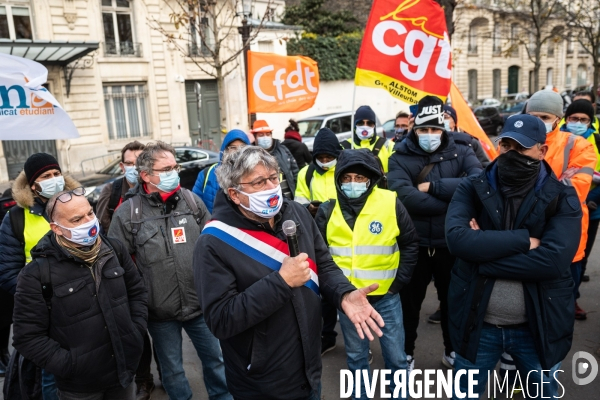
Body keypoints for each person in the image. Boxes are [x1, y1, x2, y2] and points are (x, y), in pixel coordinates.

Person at [193, 146, 385, 400]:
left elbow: (323, 264)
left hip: (308, 367)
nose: (271, 187)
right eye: (259, 182)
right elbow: (222, 319)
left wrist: (344, 293)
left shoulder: (296, 213)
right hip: (262, 382)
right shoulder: (213, 242)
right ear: (235, 194)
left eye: (274, 178)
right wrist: (281, 282)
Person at [446, 114, 582, 399]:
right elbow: (458, 241)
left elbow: (552, 261)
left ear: (541, 151)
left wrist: (482, 253)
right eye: (506, 146)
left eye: (521, 148)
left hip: (537, 327)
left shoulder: (562, 197)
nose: (512, 154)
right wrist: (524, 240)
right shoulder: (472, 187)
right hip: (477, 325)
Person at [108, 141, 231, 400]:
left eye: (175, 166)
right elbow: (116, 265)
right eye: (166, 169)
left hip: (200, 305)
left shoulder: (191, 201)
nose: (174, 173)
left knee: (216, 360)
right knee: (173, 370)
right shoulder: (127, 214)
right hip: (159, 312)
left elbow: (213, 245)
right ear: (145, 175)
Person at [12, 188, 148, 400]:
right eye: (77, 219)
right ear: (56, 228)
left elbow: (137, 292)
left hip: (123, 373)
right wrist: (70, 365)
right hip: (80, 388)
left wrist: (135, 331)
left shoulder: (114, 249)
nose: (88, 222)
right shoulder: (36, 275)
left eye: (90, 213)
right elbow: (27, 337)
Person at [387, 95, 482, 371]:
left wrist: (434, 188)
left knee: (454, 303)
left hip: (450, 244)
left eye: (435, 129)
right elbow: (403, 196)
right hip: (413, 244)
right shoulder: (400, 156)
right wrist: (454, 200)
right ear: (414, 129)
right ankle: (405, 353)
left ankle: (453, 351)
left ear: (444, 128)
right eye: (423, 130)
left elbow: (477, 184)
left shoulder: (463, 150)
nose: (430, 135)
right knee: (409, 305)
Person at [315, 149, 419, 399]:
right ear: (338, 179)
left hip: (386, 298)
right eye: (347, 177)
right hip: (349, 301)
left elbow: (410, 243)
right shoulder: (328, 210)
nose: (353, 183)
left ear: (371, 179)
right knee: (356, 356)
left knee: (395, 356)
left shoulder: (390, 202)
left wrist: (397, 283)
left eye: (360, 178)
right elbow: (318, 255)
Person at [0, 153, 80, 400]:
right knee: (50, 374)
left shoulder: (77, 206)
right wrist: (42, 298)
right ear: (33, 184)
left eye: (56, 174)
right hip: (43, 310)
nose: (54, 179)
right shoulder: (15, 218)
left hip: (81, 304)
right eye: (46, 176)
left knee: (84, 368)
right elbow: (7, 271)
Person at [526, 90, 596, 321]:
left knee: (558, 308)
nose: (538, 122)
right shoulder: (515, 141)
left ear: (558, 118)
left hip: (565, 238)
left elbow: (573, 191)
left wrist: (526, 193)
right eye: (533, 116)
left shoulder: (578, 145)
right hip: (525, 238)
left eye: (544, 117)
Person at [192, 129, 250, 213]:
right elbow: (195, 208)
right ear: (225, 150)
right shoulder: (206, 175)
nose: (238, 151)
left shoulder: (255, 175)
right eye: (233, 148)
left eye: (242, 147)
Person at [96, 141, 145, 233]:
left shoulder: (155, 189)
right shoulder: (111, 190)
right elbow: (103, 221)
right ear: (122, 167)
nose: (134, 167)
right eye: (129, 163)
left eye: (139, 163)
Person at [251, 120, 299, 199]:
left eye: (268, 134)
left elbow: (295, 173)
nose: (265, 137)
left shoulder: (283, 150)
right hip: (268, 201)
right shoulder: (250, 156)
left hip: (290, 199)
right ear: (255, 137)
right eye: (261, 135)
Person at [342, 105, 392, 173]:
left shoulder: (387, 145)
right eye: (360, 123)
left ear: (374, 126)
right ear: (354, 125)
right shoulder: (344, 147)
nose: (365, 126)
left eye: (369, 123)